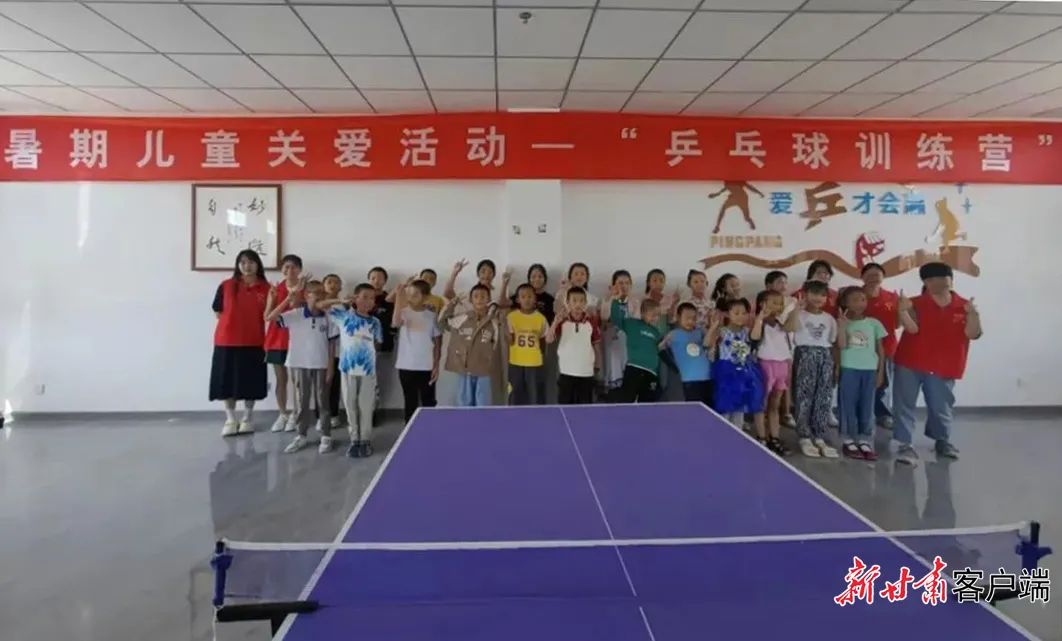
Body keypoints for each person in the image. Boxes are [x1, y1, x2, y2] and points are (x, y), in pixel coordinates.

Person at [891, 262, 981, 465]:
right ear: (926, 282)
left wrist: (973, 314)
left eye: (943, 277)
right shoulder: (914, 303)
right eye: (932, 279)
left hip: (945, 364)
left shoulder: (964, 305)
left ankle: (942, 440)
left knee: (941, 405)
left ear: (951, 280)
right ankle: (905, 444)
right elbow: (912, 329)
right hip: (910, 361)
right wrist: (903, 311)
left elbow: (973, 334)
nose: (939, 282)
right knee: (904, 404)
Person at [266, 279, 338, 454]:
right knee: (301, 401)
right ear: (306, 296)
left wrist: (330, 366)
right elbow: (269, 317)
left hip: (321, 364)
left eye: (322, 293)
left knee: (323, 401)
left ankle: (326, 436)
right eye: (316, 293)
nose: (320, 296)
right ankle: (301, 435)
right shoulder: (296, 314)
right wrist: (287, 299)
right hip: (299, 363)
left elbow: (331, 345)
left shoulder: (329, 316)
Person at [210, 250, 271, 437]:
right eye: (243, 262)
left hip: (254, 341)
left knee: (250, 382)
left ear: (258, 264)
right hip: (226, 340)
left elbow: (269, 315)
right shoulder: (226, 285)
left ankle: (247, 418)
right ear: (238, 265)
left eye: (251, 262)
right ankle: (230, 419)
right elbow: (218, 311)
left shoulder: (267, 288)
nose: (247, 266)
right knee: (226, 381)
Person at [328, 283, 383, 458]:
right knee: (350, 405)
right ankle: (354, 440)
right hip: (347, 369)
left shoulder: (375, 322)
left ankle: (365, 440)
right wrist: (341, 301)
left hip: (368, 371)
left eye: (372, 298)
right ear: (355, 298)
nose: (368, 301)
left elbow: (377, 344)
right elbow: (318, 305)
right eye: (364, 297)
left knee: (366, 406)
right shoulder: (343, 317)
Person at [836, 287, 886, 460]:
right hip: (848, 368)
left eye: (863, 299)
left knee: (867, 404)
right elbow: (840, 346)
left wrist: (880, 372)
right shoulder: (842, 322)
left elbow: (880, 350)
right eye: (855, 300)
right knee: (847, 404)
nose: (860, 303)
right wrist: (842, 327)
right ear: (845, 303)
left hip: (869, 370)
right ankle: (848, 440)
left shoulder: (874, 323)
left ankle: (864, 439)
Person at [791, 280, 839, 458]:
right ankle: (804, 435)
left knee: (824, 396)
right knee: (804, 395)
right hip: (805, 354)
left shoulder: (829, 318)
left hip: (825, 356)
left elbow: (832, 341)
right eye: (814, 293)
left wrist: (835, 365)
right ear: (805, 294)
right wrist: (796, 310)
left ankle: (819, 435)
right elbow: (791, 330)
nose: (818, 298)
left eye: (822, 295)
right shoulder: (799, 314)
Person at [708, 299, 767, 440]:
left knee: (739, 410)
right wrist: (713, 327)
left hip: (743, 373)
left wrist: (759, 319)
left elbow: (755, 337)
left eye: (744, 313)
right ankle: (721, 439)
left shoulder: (747, 331)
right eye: (736, 313)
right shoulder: (722, 332)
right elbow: (707, 343)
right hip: (726, 373)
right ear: (728, 314)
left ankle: (737, 439)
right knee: (725, 407)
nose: (741, 316)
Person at [439, 285, 501, 407]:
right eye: (476, 296)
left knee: (483, 404)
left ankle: (482, 420)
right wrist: (453, 303)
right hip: (465, 370)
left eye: (483, 296)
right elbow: (442, 322)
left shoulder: (494, 321)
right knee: (464, 404)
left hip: (484, 370)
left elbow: (496, 344)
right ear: (471, 300)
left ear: (488, 299)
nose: (479, 299)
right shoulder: (463, 318)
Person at [263, 254, 303, 433]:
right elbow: (267, 316)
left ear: (300, 269)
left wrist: (297, 295)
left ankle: (296, 414)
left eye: (294, 267)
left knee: (297, 381)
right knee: (281, 379)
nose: (290, 270)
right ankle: (282, 414)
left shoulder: (306, 288)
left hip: (298, 340)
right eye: (286, 267)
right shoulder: (275, 289)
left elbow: (302, 312)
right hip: (276, 340)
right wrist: (275, 298)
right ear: (282, 270)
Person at [393, 277, 442, 422]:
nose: (411, 298)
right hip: (406, 366)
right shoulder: (403, 312)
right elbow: (395, 322)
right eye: (409, 294)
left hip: (426, 366)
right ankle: (409, 430)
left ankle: (430, 429)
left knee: (429, 401)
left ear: (425, 297)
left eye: (415, 295)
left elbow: (437, 342)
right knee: (410, 402)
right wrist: (399, 296)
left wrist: (436, 365)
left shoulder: (432, 316)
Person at [546, 286, 602, 404]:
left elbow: (596, 345)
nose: (578, 304)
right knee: (565, 406)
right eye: (574, 300)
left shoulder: (591, 321)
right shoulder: (562, 321)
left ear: (585, 303)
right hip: (566, 372)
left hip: (586, 372)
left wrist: (598, 364)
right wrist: (555, 322)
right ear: (568, 303)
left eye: (581, 301)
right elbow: (549, 339)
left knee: (585, 407)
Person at [861, 262, 899, 429]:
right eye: (869, 275)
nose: (873, 278)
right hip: (859, 349)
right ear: (862, 277)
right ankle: (863, 413)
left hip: (886, 347)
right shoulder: (855, 296)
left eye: (877, 275)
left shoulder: (892, 297)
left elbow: (897, 324)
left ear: (883, 277)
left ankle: (883, 415)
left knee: (883, 384)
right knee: (863, 383)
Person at [755, 290, 792, 456]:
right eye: (774, 303)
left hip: (782, 365)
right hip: (765, 364)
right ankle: (761, 437)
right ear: (763, 304)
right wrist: (759, 319)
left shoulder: (782, 324)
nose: (778, 306)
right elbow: (754, 337)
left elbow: (788, 344)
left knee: (775, 404)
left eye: (780, 303)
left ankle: (774, 437)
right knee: (761, 403)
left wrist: (795, 309)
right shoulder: (759, 322)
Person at [660, 302, 711, 406]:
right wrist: (672, 365)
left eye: (694, 318)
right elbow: (660, 347)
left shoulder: (699, 332)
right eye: (687, 318)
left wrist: (710, 327)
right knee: (694, 410)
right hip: (690, 380)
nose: (690, 321)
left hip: (708, 377)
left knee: (708, 410)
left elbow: (709, 344)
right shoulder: (673, 334)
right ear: (678, 317)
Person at [764, 270, 797, 428]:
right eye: (779, 282)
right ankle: (765, 415)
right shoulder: (765, 303)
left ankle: (786, 412)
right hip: (768, 353)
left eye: (785, 282)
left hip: (787, 348)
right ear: (769, 285)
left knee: (785, 382)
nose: (783, 285)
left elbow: (792, 326)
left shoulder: (792, 301)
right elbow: (779, 323)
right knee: (767, 387)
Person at [507, 283, 549, 405]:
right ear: (518, 299)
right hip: (515, 361)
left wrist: (540, 355)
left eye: (530, 296)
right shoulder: (511, 317)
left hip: (534, 362)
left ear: (535, 299)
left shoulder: (541, 318)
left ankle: (536, 415)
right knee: (515, 392)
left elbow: (543, 340)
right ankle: (514, 414)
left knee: (534, 393)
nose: (527, 299)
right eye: (523, 296)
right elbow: (510, 340)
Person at [619, 299, 663, 403]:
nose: (656, 318)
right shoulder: (632, 324)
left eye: (658, 315)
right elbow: (618, 319)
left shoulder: (657, 332)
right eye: (652, 315)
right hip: (634, 368)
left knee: (647, 403)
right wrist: (619, 300)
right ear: (643, 314)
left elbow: (660, 350)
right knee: (626, 400)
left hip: (651, 372)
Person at [600, 270, 635, 395]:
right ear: (613, 285)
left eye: (627, 283)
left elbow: (636, 320)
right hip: (612, 342)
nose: (623, 286)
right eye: (620, 283)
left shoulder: (634, 302)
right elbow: (604, 318)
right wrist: (613, 299)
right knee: (613, 369)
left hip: (629, 343)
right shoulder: (607, 300)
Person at [321, 273, 345, 428]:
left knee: (334, 384)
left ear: (341, 287)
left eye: (336, 282)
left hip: (337, 351)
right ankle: (321, 415)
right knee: (321, 386)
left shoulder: (343, 307)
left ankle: (334, 414)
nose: (333, 285)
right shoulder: (318, 304)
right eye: (329, 282)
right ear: (323, 285)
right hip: (319, 351)